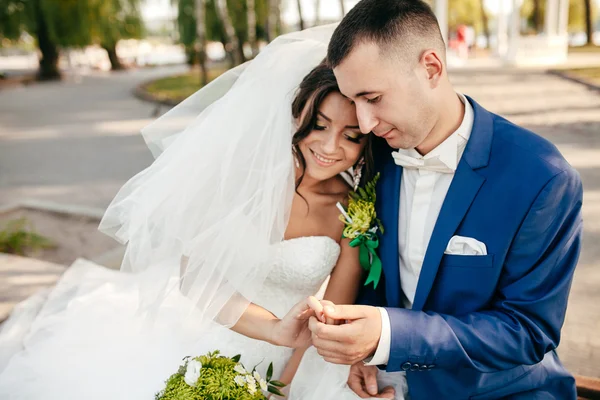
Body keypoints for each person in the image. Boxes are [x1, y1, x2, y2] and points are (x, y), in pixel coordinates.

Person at [0, 26, 402, 400]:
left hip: (297, 360)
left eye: (350, 136)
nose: (330, 146)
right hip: (211, 334)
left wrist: (282, 388)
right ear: (297, 114)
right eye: (318, 124)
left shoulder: (352, 212)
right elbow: (196, 278)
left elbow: (326, 325)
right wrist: (274, 330)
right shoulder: (247, 180)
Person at [307, 1, 584, 399]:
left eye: (373, 98)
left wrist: (388, 335)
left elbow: (527, 330)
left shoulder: (542, 177)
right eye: (354, 102)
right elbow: (378, 271)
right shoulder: (377, 156)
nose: (363, 123)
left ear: (432, 68)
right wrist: (362, 352)